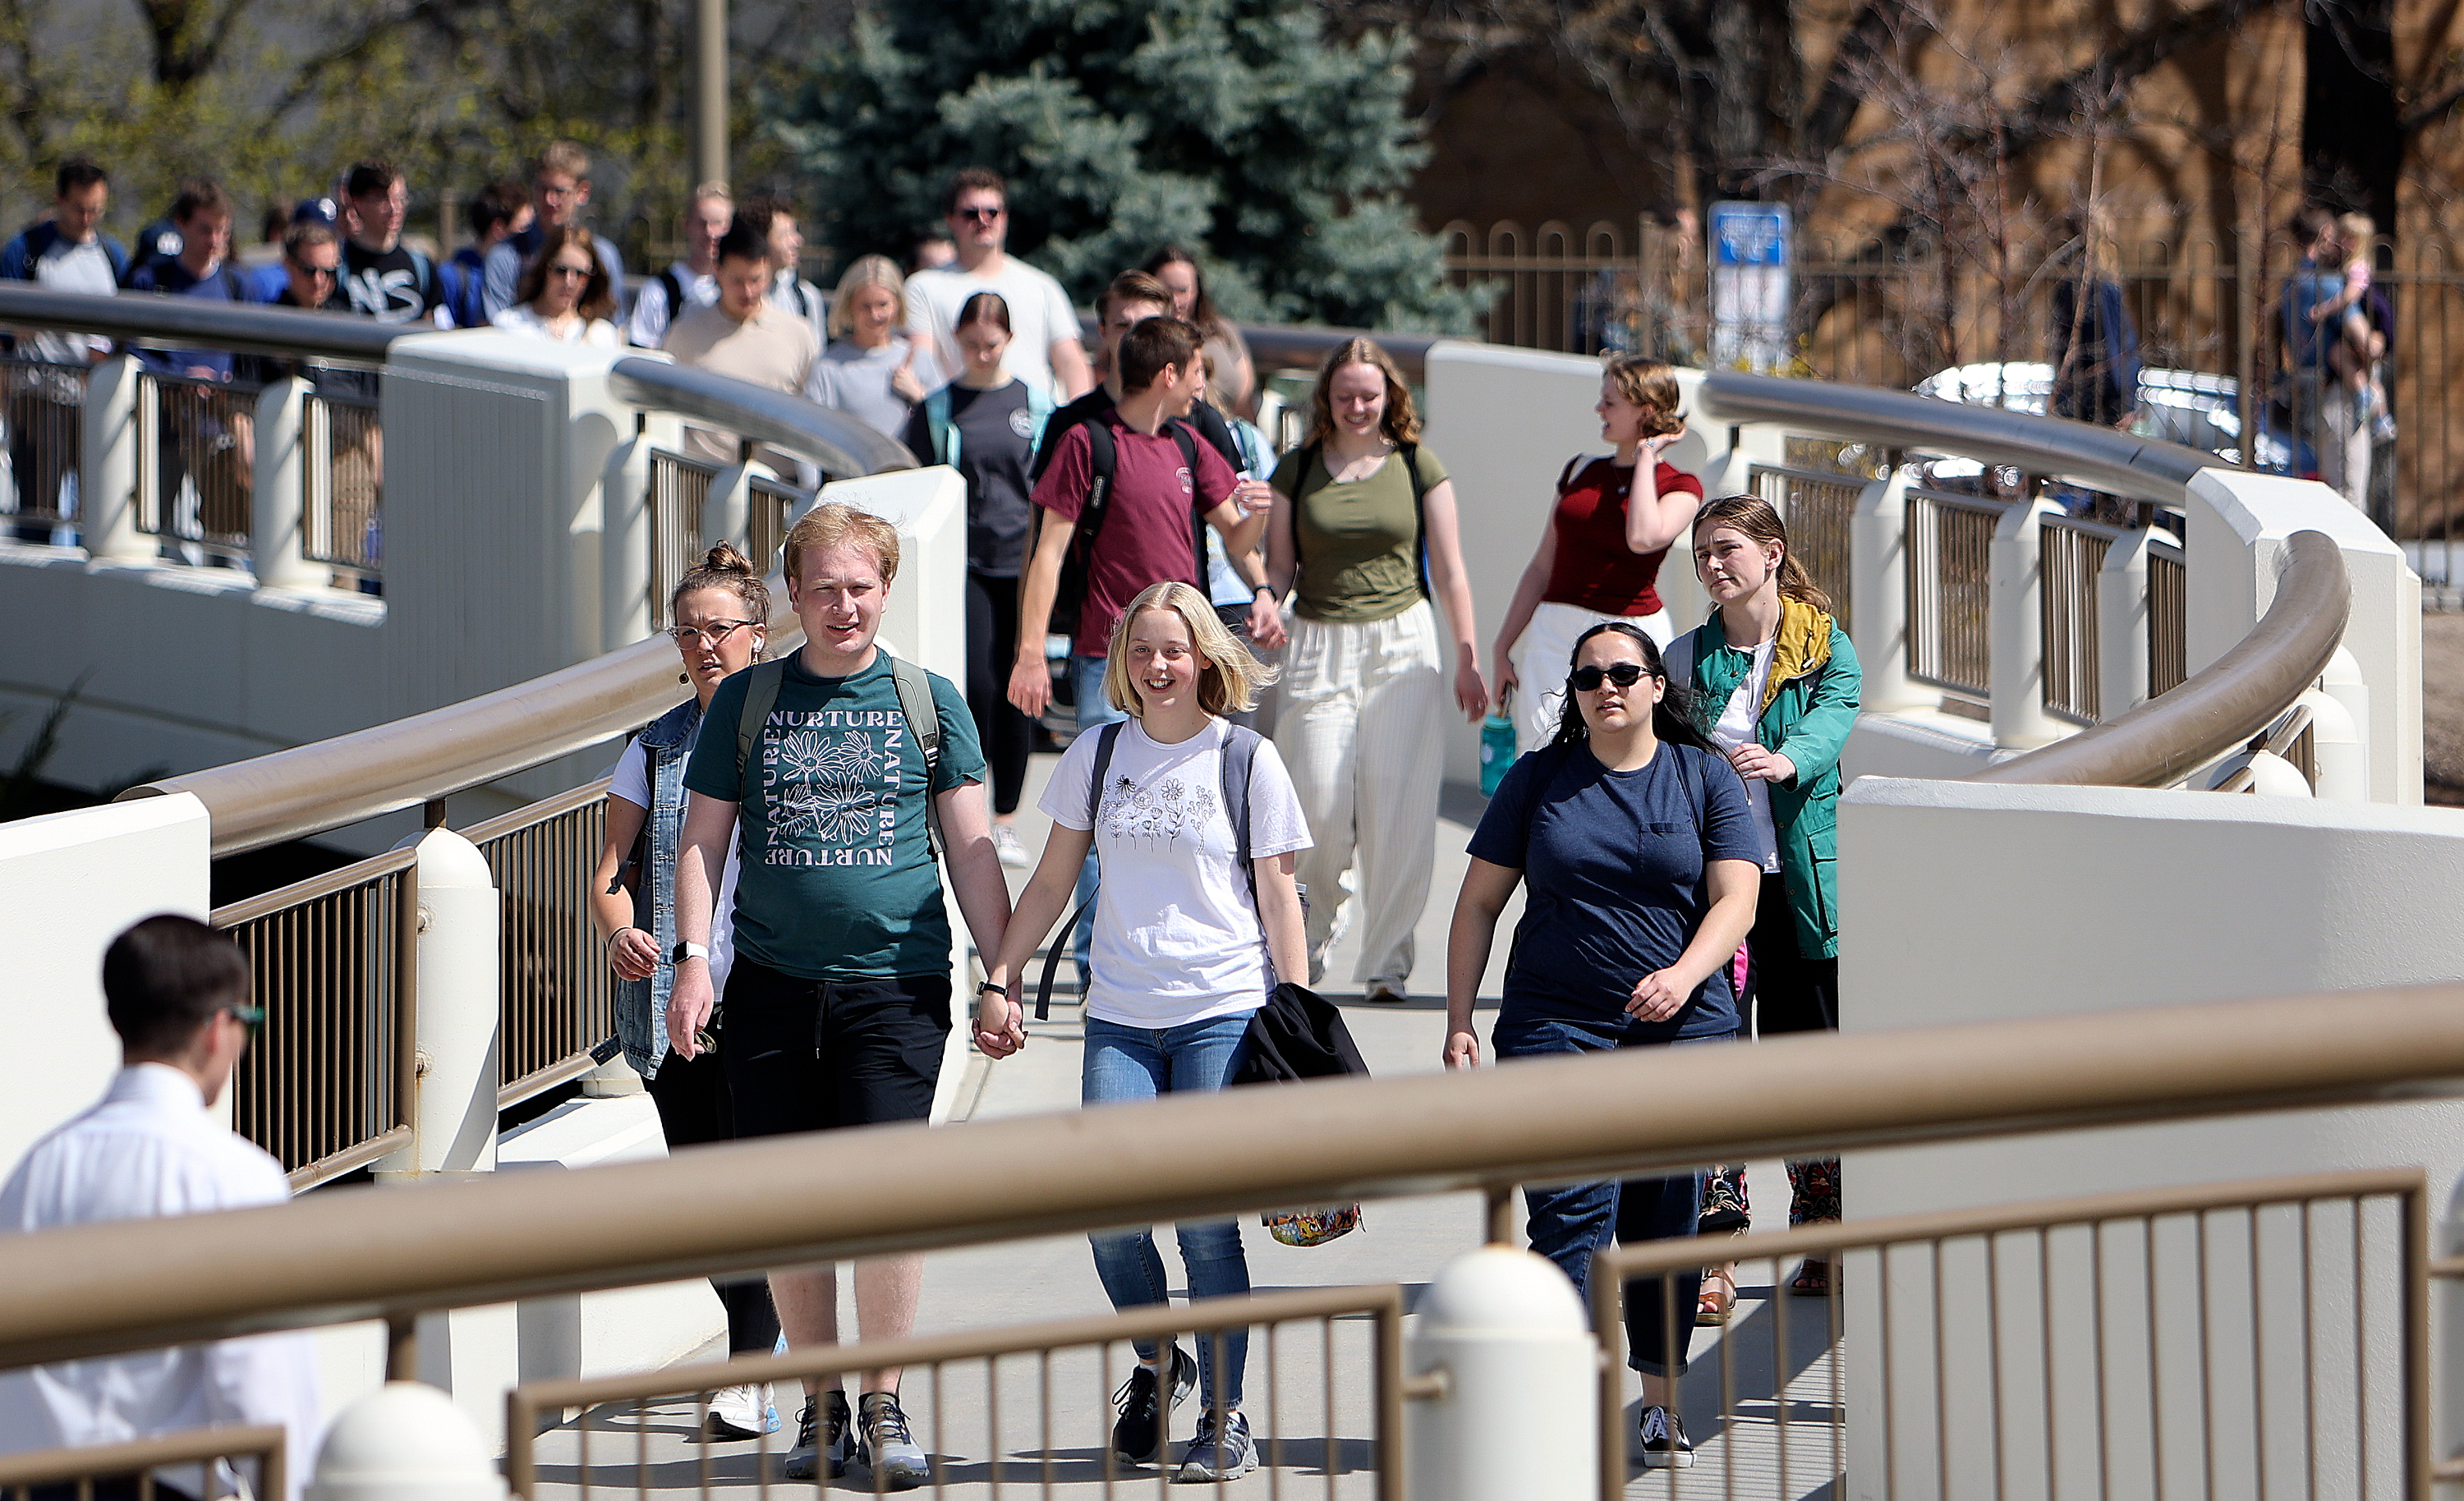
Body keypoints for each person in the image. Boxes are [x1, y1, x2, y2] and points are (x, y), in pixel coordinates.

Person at [668, 503, 1013, 1489]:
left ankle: (882, 1402)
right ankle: (819, 1404)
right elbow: (701, 839)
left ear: (887, 590)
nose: (842, 605)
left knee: (887, 1199)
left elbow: (973, 851)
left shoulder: (927, 699)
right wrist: (696, 957)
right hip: (773, 988)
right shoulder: (749, 701)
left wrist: (1002, 975)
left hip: (896, 988)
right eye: (823, 586)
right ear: (792, 597)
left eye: (860, 586)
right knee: (792, 1203)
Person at [981, 580, 1308, 1484]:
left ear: (1205, 655)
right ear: (1121, 661)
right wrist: (1001, 976)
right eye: (1140, 651)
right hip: (1121, 1013)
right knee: (1109, 1216)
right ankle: (1163, 1361)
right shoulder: (1096, 752)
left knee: (1207, 1221)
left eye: (1174, 649)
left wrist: (1300, 1012)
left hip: (1224, 1007)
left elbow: (1278, 894)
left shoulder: (1246, 759)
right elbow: (1050, 884)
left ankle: (1224, 1415)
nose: (1158, 666)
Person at [1442, 622, 1760, 1471]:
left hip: (1680, 1026)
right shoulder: (1539, 778)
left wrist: (1686, 975)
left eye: (1625, 672)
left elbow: (1737, 899)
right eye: (1589, 677)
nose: (1606, 686)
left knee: (1664, 1212)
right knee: (1570, 1216)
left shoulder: (1703, 776)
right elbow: (1478, 904)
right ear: (1575, 694)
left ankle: (1660, 1403)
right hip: (1556, 1022)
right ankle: (1567, 1408)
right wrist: (1461, 1018)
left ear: (1658, 684)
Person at [0, 916, 322, 1497]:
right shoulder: (236, 1176)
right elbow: (261, 1386)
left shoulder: (35, 1170)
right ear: (217, 1029)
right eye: (251, 1022)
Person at [1010, 316, 1276, 988]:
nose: (1200, 387)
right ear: (1168, 374)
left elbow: (1236, 540)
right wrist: (1030, 652)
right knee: (1102, 810)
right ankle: (1101, 966)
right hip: (1108, 657)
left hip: (1189, 659)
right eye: (1194, 373)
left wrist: (1261, 521)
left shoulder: (1189, 443)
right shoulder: (1085, 442)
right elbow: (1048, 552)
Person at [590, 544, 783, 1442]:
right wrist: (621, 927)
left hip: (776, 986)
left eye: (720, 628)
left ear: (759, 634)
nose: (705, 644)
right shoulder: (655, 748)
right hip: (680, 1000)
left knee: (758, 1186)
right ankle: (765, 1347)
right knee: (706, 1201)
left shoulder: (793, 727)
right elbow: (607, 876)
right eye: (690, 630)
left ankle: (750, 1370)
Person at [1666, 493, 1860, 1313]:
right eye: (1703, 553)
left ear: (1773, 554)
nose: (1714, 565)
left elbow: (1837, 719)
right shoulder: (1682, 658)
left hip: (1799, 888)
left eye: (1728, 549)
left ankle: (1819, 1233)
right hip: (1715, 891)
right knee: (1713, 1065)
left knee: (1805, 1065)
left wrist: (1786, 761)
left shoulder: (1825, 648)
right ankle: (1718, 1250)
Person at [1257, 337, 1487, 1001]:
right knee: (1317, 809)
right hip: (1319, 642)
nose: (1358, 406)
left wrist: (1469, 655)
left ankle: (1387, 962)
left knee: (1398, 811)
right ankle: (1312, 942)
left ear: (1390, 397)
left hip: (1403, 647)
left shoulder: (1417, 465)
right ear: (1326, 400)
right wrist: (1270, 600)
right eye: (1345, 395)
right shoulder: (1296, 468)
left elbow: (1449, 571)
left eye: (1369, 394)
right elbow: (1280, 565)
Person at [901, 292, 1047, 870]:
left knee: (1023, 686)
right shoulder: (939, 407)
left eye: (991, 344)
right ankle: (976, 804)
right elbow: (916, 478)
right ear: (956, 342)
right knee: (981, 687)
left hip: (1026, 561)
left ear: (1009, 340)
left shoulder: (1036, 405)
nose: (981, 354)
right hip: (967, 562)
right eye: (970, 345)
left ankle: (1008, 815)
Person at [1491, 356, 1703, 748]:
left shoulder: (1680, 485)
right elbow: (1542, 566)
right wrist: (1502, 647)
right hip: (1555, 630)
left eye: (1610, 402)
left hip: (1631, 635)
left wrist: (1645, 457)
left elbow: (1642, 537)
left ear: (1646, 410)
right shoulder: (1580, 471)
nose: (1598, 409)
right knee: (1540, 751)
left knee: (1622, 753)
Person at [1, 158, 125, 543]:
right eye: (79, 208)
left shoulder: (111, 254)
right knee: (39, 511)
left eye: (96, 210)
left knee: (100, 511)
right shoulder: (28, 249)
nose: (87, 218)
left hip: (93, 398)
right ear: (59, 200)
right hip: (39, 398)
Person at [125, 178, 251, 550]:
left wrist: (227, 383)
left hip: (219, 429)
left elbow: (252, 356)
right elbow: (133, 350)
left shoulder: (237, 285)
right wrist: (179, 376)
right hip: (163, 425)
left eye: (221, 231)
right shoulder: (151, 281)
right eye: (205, 229)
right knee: (156, 527)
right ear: (181, 224)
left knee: (224, 534)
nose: (214, 241)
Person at [903, 167, 1091, 397]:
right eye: (971, 214)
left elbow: (1071, 363)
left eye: (992, 212)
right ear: (950, 219)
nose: (983, 220)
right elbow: (922, 362)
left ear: (1005, 217)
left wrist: (1078, 422)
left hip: (1035, 423)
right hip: (959, 423)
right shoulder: (923, 287)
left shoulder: (1042, 286)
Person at [660, 220, 820, 466]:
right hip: (705, 480)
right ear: (717, 271)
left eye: (756, 280)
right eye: (737, 281)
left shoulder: (798, 334)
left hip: (776, 485)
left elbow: (814, 410)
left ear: (768, 271)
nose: (747, 292)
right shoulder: (685, 333)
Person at [481, 140, 624, 317]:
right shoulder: (505, 256)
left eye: (560, 191)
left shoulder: (603, 256)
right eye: (542, 189)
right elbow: (498, 326)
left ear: (582, 192)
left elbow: (613, 319)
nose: (550, 199)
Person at [808, 254, 925, 438]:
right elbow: (811, 435)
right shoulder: (828, 367)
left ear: (898, 303)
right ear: (849, 307)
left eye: (883, 305)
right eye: (865, 307)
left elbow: (947, 424)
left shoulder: (917, 358)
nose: (875, 315)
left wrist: (919, 397)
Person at [2048, 210, 2141, 430]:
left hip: (2081, 394)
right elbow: (2116, 347)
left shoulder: (2070, 288)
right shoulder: (2099, 289)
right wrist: (2125, 403)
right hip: (2100, 399)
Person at [2310, 210, 2396, 447]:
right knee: (2338, 356)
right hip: (2346, 335)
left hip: (2365, 326)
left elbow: (2349, 298)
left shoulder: (2358, 266)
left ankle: (2379, 413)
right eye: (2343, 237)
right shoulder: (2342, 264)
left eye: (2352, 239)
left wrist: (2323, 310)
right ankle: (2372, 407)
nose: (2345, 243)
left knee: (2361, 347)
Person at [1142, 245, 1254, 419]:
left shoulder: (1222, 332)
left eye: (1183, 290)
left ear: (1196, 291)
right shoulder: (1140, 341)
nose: (1175, 301)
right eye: (1166, 290)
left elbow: (1245, 404)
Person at [337, 161, 448, 328]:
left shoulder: (421, 265)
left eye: (400, 199)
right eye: (381, 199)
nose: (394, 208)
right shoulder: (338, 265)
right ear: (357, 202)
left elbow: (437, 322)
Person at [628, 181, 729, 348]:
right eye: (702, 223)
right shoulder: (659, 291)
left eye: (718, 223)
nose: (711, 233)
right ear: (687, 225)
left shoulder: (739, 290)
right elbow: (643, 355)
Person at [490, 224, 620, 347]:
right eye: (561, 270)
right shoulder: (508, 324)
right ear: (544, 270)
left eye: (581, 274)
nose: (570, 282)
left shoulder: (602, 335)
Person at [743, 195, 830, 352]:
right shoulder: (731, 296)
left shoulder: (806, 298)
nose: (797, 241)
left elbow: (815, 359)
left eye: (795, 232)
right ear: (761, 241)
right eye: (785, 235)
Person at [447, 179, 526, 331]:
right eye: (522, 227)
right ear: (499, 228)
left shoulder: (523, 269)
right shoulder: (453, 275)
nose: (527, 236)